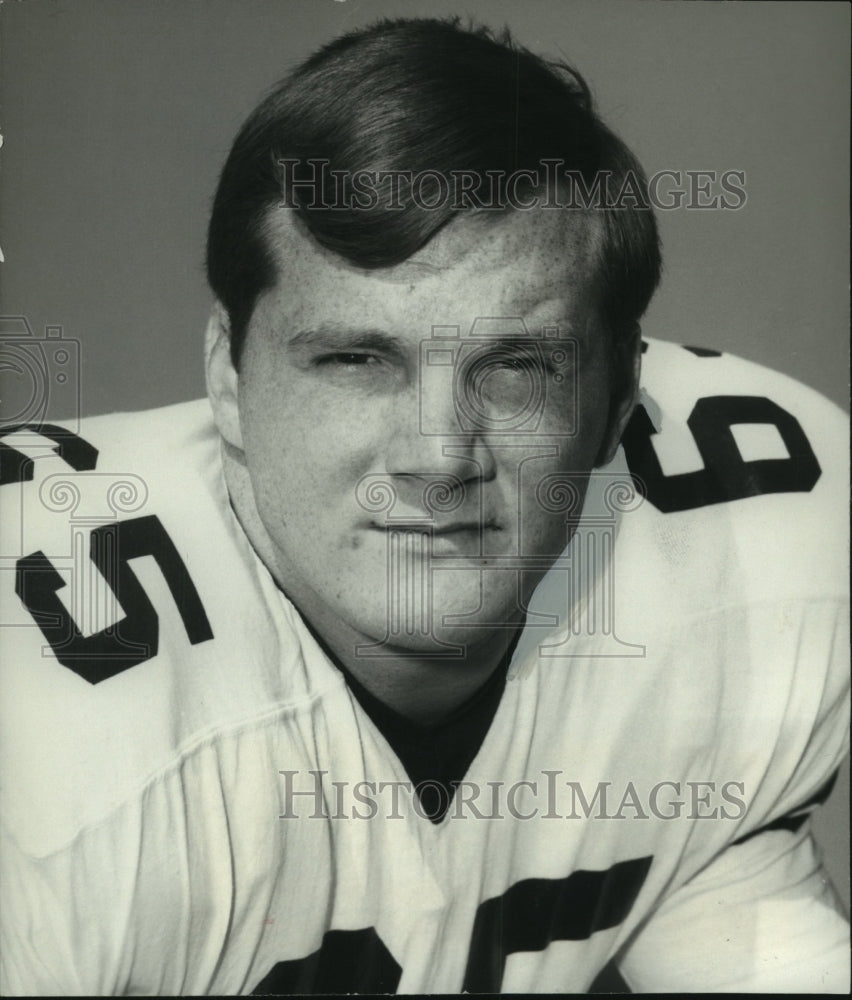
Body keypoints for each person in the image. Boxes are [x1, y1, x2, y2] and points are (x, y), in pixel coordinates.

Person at [0, 16, 848, 995]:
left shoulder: (767, 552)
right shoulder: (46, 753)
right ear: (226, 376)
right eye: (357, 360)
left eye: (518, 366)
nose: (439, 456)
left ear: (618, 398)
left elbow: (721, 880)